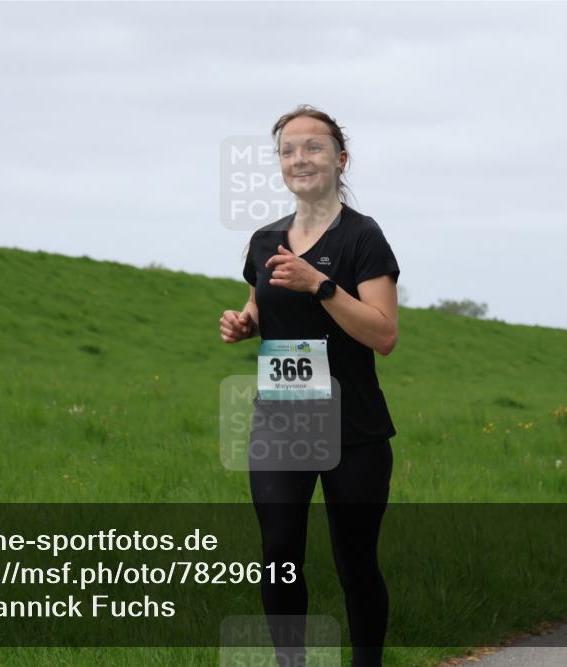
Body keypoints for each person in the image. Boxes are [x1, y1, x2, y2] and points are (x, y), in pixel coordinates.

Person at [219, 105, 401, 667]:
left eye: (314, 147)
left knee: (355, 562)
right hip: (281, 424)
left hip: (353, 428)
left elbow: (384, 334)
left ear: (340, 159)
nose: (300, 158)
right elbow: (263, 304)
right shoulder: (265, 241)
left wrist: (320, 284)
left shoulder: (363, 236)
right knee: (278, 554)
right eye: (288, 150)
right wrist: (245, 322)